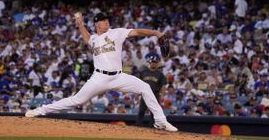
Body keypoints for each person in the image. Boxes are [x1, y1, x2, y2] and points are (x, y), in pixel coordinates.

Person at [25, 12, 178, 132]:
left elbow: (137, 32)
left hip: (118, 76)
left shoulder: (117, 32)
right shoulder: (93, 39)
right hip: (99, 77)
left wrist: (156, 33)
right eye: (103, 20)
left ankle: (160, 121)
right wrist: (79, 23)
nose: (106, 22)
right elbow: (86, 38)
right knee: (76, 100)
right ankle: (39, 110)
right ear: (97, 24)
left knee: (145, 87)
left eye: (107, 19)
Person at [136, 53, 167, 127]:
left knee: (153, 113)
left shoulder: (160, 74)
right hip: (145, 94)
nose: (153, 63)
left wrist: (162, 95)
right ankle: (138, 127)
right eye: (152, 62)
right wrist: (137, 93)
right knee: (141, 111)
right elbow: (139, 83)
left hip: (155, 94)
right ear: (149, 62)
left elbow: (163, 85)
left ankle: (152, 128)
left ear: (157, 63)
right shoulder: (143, 72)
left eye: (155, 62)